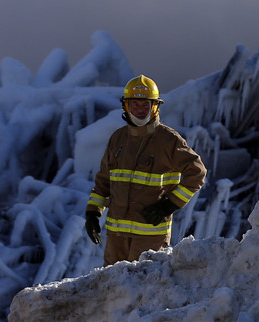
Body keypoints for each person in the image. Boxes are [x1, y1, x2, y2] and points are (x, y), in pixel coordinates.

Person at [84, 74, 206, 265]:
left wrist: (168, 205)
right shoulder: (118, 139)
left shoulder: (168, 140)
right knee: (113, 291)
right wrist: (92, 213)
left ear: (154, 107)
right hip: (116, 238)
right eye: (135, 104)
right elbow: (103, 182)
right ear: (126, 106)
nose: (140, 110)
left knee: (142, 290)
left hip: (150, 238)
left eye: (145, 105)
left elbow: (197, 173)